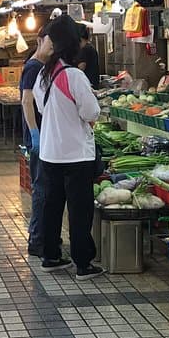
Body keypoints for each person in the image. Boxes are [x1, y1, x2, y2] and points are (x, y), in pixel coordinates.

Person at [33, 15, 104, 280]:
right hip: (75, 155)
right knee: (79, 210)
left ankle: (51, 256)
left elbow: (42, 109)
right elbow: (91, 112)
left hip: (50, 152)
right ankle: (83, 263)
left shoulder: (44, 74)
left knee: (52, 207)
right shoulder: (73, 75)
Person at [20, 25, 52, 258]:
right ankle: (37, 240)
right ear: (40, 41)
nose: (53, 49)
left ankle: (42, 236)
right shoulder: (33, 67)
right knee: (41, 189)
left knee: (43, 189)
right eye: (50, 44)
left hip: (44, 136)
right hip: (39, 137)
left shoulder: (40, 65)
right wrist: (35, 134)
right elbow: (26, 102)